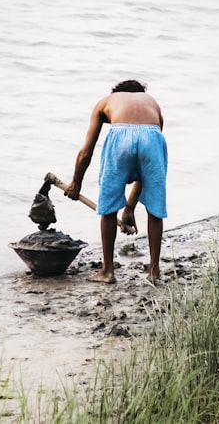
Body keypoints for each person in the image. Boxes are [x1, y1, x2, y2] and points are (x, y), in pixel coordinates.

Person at [64, 79, 167, 284]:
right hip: (153, 137)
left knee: (109, 208)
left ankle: (107, 270)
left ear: (116, 92)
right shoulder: (152, 103)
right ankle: (154, 271)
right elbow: (144, 177)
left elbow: (86, 152)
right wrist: (130, 207)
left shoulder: (107, 101)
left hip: (120, 139)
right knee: (155, 208)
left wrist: (76, 182)